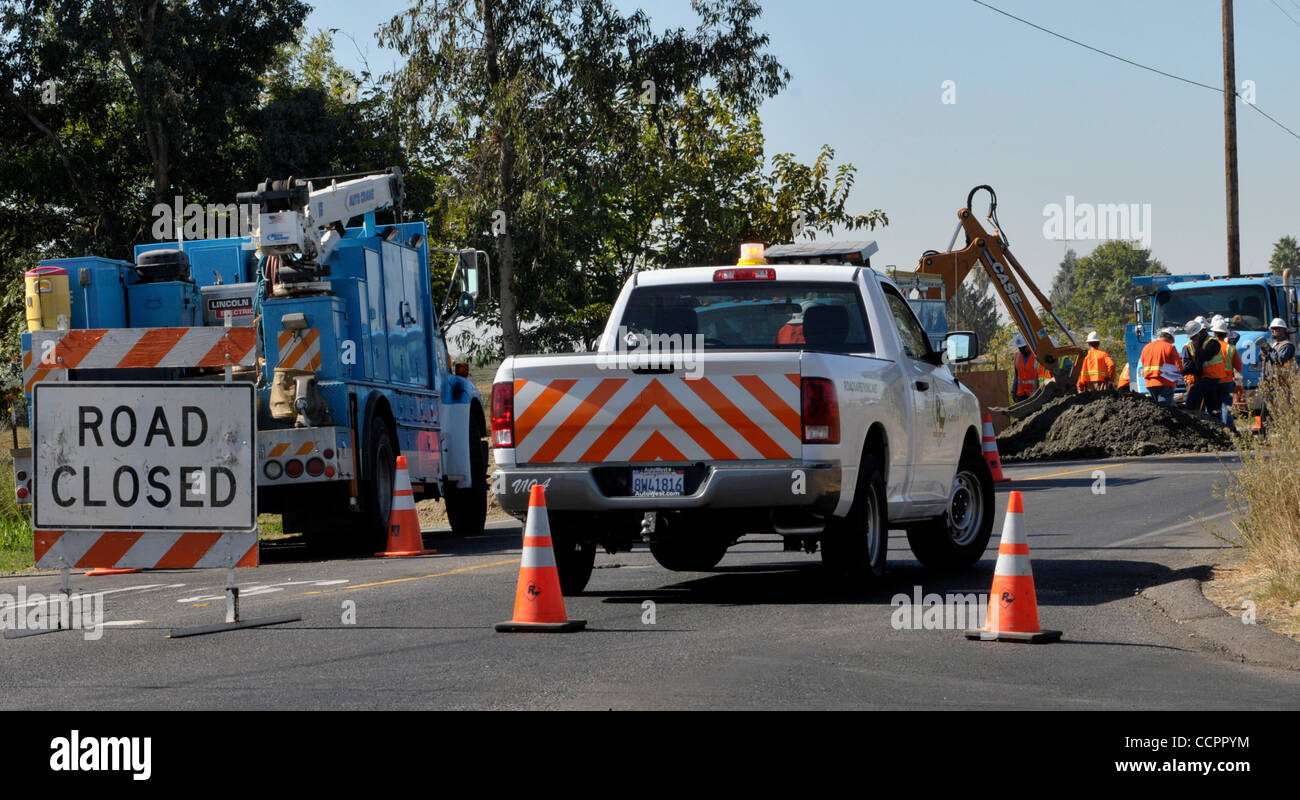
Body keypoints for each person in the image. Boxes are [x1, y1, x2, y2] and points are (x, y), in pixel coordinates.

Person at [1181, 317, 1222, 416]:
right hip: (1203, 378)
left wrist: (1197, 346)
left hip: (1212, 377)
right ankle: (1215, 422)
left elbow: (1204, 356)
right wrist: (1182, 372)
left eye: (1194, 336)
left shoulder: (1213, 343)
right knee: (1212, 406)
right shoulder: (1193, 345)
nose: (1193, 339)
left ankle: (1189, 412)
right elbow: (1190, 365)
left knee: (1194, 392)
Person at [1211, 316, 1241, 431]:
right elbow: (1238, 366)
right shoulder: (1230, 348)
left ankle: (1215, 430)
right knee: (1226, 407)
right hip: (1227, 381)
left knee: (1213, 406)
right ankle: (1229, 430)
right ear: (1226, 334)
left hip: (1213, 380)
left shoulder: (1209, 346)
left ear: (1214, 333)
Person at [1140, 327, 1181, 406]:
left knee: (1157, 407)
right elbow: (1178, 366)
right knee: (1166, 408)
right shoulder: (1170, 347)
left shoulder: (1147, 347)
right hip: (1166, 383)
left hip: (1150, 383)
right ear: (1170, 338)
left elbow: (1143, 362)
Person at [1012, 333, 1047, 401]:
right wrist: (1013, 391)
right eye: (1020, 348)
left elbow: (1042, 376)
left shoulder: (1037, 356)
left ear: (1029, 344)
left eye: (1023, 347)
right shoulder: (1017, 357)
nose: (1021, 349)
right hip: (1021, 394)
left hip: (1034, 393)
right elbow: (1016, 376)